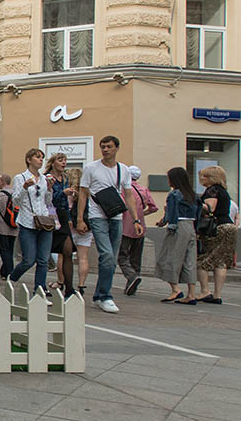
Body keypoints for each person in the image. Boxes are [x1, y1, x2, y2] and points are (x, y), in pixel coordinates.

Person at [76, 135, 143, 314]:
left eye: (109, 146)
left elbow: (128, 194)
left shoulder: (124, 170)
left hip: (116, 216)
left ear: (116, 148)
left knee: (111, 260)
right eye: (103, 146)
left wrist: (136, 219)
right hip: (97, 215)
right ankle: (106, 296)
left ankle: (99, 295)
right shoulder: (91, 168)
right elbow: (83, 193)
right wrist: (80, 218)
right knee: (106, 255)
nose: (105, 149)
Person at [10, 148, 54, 299]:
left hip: (44, 221)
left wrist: (49, 189)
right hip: (27, 221)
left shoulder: (43, 179)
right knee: (29, 260)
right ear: (29, 160)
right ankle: (13, 277)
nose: (41, 160)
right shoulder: (20, 177)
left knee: (43, 260)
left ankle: (39, 291)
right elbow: (15, 200)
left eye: (42, 157)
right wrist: (24, 188)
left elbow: (47, 202)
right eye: (37, 157)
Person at [155, 167, 199, 304]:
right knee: (190, 261)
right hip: (191, 226)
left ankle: (175, 289)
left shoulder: (174, 194)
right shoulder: (193, 195)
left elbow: (172, 213)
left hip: (178, 227)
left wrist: (165, 222)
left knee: (169, 257)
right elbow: (198, 214)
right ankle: (191, 294)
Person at [195, 165, 236, 304]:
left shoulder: (212, 190)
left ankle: (204, 291)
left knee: (203, 260)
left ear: (212, 178)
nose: (201, 178)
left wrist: (194, 204)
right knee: (220, 261)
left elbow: (210, 208)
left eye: (205, 176)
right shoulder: (224, 191)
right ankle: (217, 294)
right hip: (229, 225)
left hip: (216, 227)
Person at [118, 165, 157, 296]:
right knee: (136, 256)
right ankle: (133, 280)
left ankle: (131, 276)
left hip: (125, 226)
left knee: (122, 255)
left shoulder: (124, 189)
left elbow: (122, 205)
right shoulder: (144, 189)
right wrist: (141, 214)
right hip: (140, 226)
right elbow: (153, 207)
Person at [45, 153, 75, 298]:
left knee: (68, 251)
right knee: (44, 253)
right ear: (53, 163)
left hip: (62, 216)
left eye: (65, 160)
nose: (63, 163)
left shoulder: (66, 178)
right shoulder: (47, 177)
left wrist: (69, 218)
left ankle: (69, 288)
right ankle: (40, 285)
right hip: (50, 216)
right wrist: (63, 192)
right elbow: (48, 198)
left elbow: (65, 202)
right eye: (60, 160)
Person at [66, 167, 92, 295]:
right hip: (86, 227)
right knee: (83, 257)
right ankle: (81, 284)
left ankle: (63, 282)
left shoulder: (69, 192)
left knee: (65, 257)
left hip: (70, 227)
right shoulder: (87, 192)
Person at [0, 174, 16, 279]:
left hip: (2, 227)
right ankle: (4, 271)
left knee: (4, 250)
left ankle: (9, 271)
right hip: (14, 226)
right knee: (10, 250)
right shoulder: (15, 194)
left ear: (3, 181)